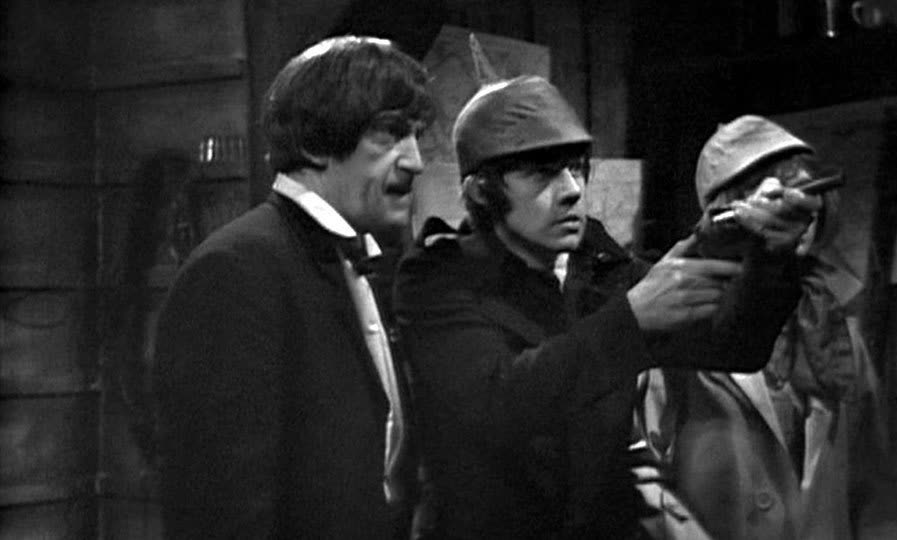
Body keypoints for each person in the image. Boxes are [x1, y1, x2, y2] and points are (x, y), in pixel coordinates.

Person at [393, 78, 822, 539]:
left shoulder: (603, 270)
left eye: (577, 168)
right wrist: (631, 322)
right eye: (543, 174)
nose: (571, 190)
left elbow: (735, 346)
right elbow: (499, 404)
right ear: (482, 191)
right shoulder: (440, 278)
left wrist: (771, 255)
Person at [153, 36, 433, 539]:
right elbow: (219, 512)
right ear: (313, 144)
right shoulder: (237, 271)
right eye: (390, 134)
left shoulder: (355, 258)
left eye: (416, 136)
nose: (415, 160)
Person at [633, 115, 897, 540]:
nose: (798, 208)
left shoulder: (837, 336)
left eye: (805, 191)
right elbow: (643, 471)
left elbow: (872, 488)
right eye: (773, 190)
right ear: (730, 210)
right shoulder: (683, 323)